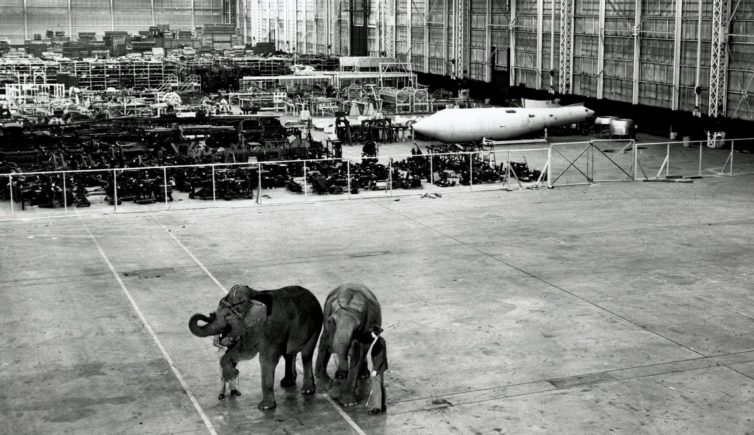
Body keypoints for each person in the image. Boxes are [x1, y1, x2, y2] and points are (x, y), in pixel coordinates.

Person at [365, 325, 387, 414]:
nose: (371, 333)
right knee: (380, 386)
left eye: (372, 332)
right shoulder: (378, 340)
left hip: (376, 368)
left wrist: (375, 369)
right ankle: (382, 405)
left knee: (376, 388)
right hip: (375, 367)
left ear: (375, 333)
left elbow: (380, 357)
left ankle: (377, 408)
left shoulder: (379, 343)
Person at [213, 335, 241, 400]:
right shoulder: (219, 329)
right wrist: (223, 347)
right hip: (223, 353)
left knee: (233, 370)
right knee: (223, 373)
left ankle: (233, 389)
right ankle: (221, 392)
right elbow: (214, 343)